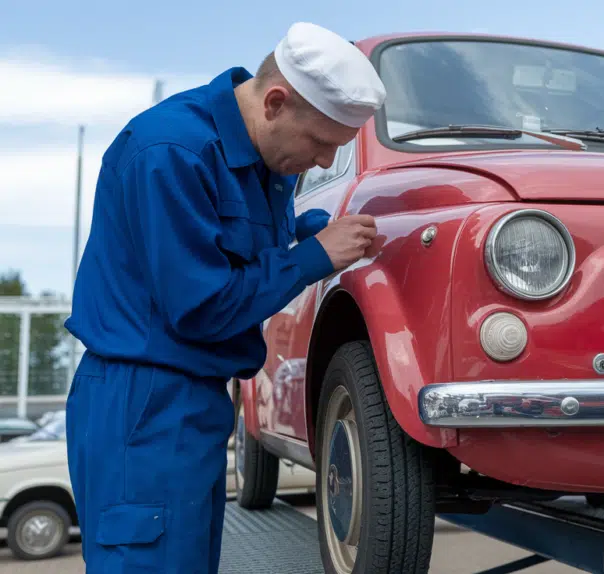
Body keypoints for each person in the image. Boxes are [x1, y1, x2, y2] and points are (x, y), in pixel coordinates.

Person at [63, 22, 385, 573]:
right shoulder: (171, 152)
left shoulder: (261, 157)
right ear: (275, 103)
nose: (324, 162)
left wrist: (304, 232)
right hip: (145, 404)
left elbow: (233, 252)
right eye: (321, 143)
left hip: (191, 402)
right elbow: (201, 307)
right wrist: (312, 258)